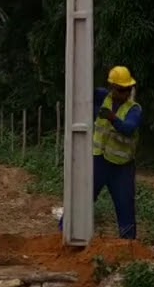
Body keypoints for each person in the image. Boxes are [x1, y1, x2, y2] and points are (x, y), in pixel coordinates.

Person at [58, 65, 144, 239]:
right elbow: (82, 89)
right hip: (99, 162)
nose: (125, 93)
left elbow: (128, 128)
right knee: (81, 197)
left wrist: (112, 118)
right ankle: (64, 231)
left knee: (125, 206)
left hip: (121, 167)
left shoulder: (134, 109)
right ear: (112, 88)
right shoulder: (102, 97)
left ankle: (128, 246)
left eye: (128, 89)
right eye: (121, 89)